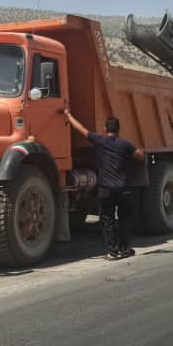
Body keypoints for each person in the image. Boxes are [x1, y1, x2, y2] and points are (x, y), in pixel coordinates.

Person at [63, 109, 145, 260]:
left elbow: (81, 129)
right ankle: (125, 249)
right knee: (125, 220)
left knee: (108, 220)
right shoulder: (125, 144)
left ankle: (112, 252)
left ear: (105, 129)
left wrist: (68, 115)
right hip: (123, 189)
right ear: (119, 130)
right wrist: (138, 151)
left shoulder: (99, 141)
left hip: (106, 189)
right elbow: (140, 156)